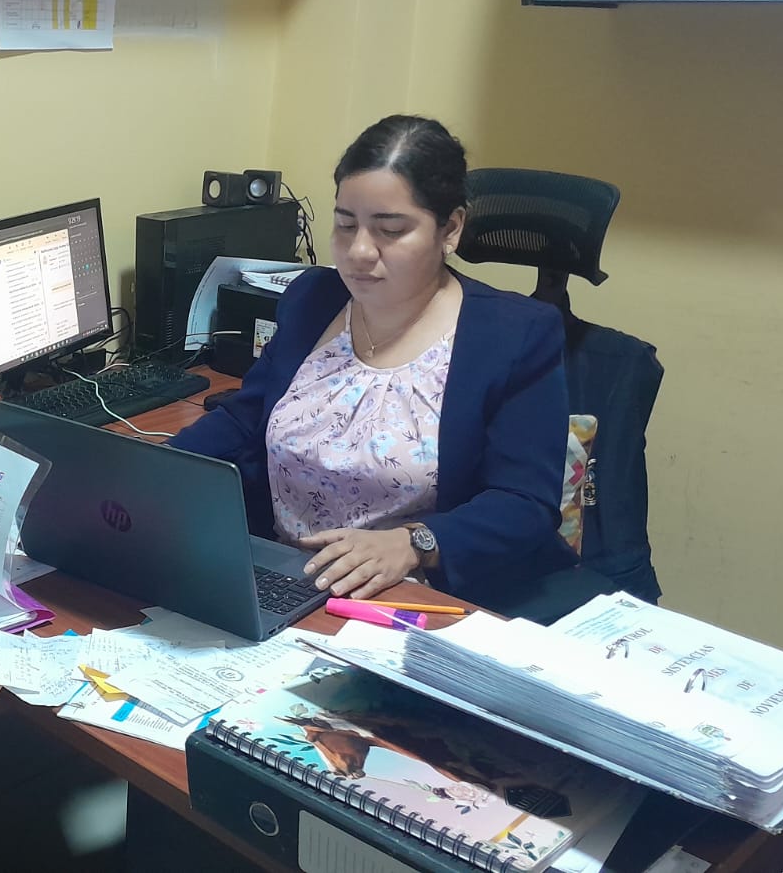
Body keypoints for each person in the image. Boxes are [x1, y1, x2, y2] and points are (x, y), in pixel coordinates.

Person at [169, 115, 577, 607]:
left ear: (450, 228)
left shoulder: (515, 335)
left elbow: (524, 503)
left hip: (418, 597)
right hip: (286, 580)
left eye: (390, 230)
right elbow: (245, 418)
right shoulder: (314, 298)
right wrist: (154, 469)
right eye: (345, 225)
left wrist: (412, 544)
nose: (359, 251)